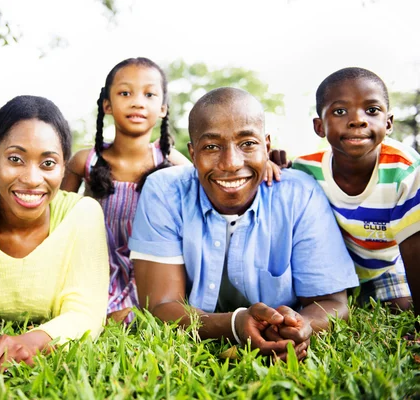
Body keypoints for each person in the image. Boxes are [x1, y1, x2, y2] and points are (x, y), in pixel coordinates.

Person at [129, 87, 359, 360]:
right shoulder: (164, 191)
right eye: (212, 147)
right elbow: (161, 306)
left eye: (248, 143)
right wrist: (235, 325)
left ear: (267, 146)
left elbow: (332, 302)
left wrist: (299, 326)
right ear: (192, 153)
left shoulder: (299, 194)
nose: (230, 163)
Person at [0, 95, 109, 372]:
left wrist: (29, 342)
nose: (31, 179)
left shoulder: (83, 214)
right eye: (15, 159)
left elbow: (86, 312)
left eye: (48, 163)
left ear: (64, 167)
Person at [60, 57, 190, 322]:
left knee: (148, 317)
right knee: (88, 316)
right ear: (107, 104)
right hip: (96, 270)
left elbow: (213, 190)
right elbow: (53, 213)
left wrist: (270, 165)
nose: (138, 102)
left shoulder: (171, 163)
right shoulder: (86, 161)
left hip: (151, 271)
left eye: (149, 94)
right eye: (125, 93)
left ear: (163, 108)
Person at [292, 67, 420, 314]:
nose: (358, 119)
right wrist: (270, 165)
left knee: (401, 308)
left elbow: (415, 249)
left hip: (383, 267)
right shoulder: (305, 169)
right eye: (340, 111)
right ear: (320, 126)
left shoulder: (404, 171)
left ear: (388, 122)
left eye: (372, 110)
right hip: (329, 272)